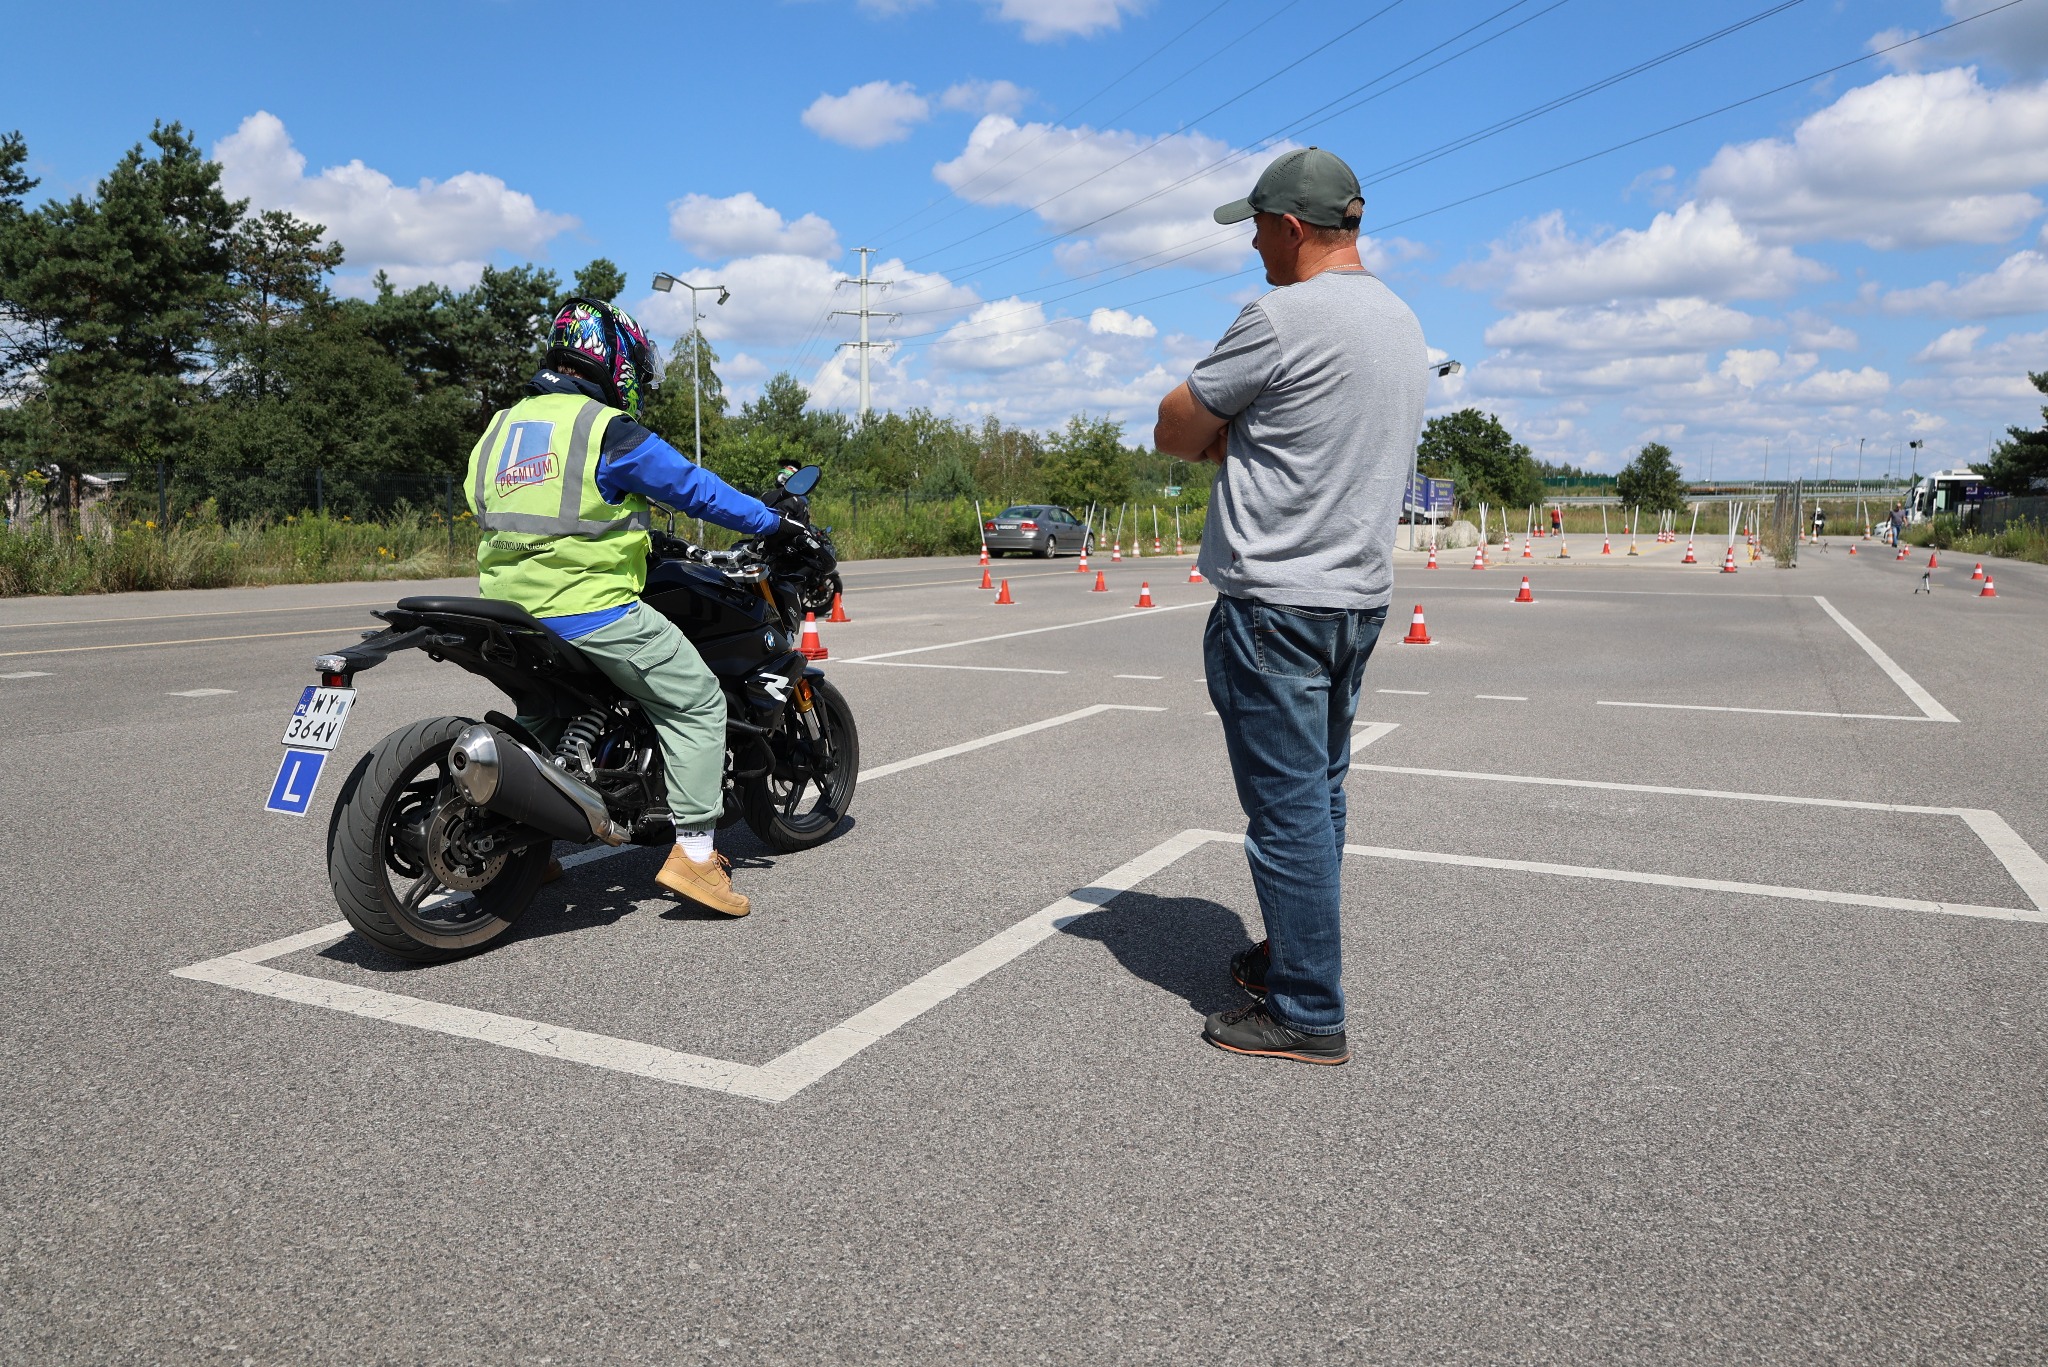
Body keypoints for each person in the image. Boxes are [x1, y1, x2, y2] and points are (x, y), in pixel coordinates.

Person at [1153, 148, 1428, 1065]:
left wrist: (1226, 433)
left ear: (1295, 227)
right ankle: (1294, 950)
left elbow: (1175, 425)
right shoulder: (1400, 322)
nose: (1255, 245)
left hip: (1276, 601)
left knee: (1285, 811)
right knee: (1322, 794)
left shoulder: (1279, 319)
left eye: (1259, 227)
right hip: (1357, 599)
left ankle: (1307, 1008)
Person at [465, 298, 811, 918]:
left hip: (505, 610)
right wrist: (771, 521)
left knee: (545, 718)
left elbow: (487, 503)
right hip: (588, 606)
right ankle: (698, 859)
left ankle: (526, 845)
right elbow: (691, 487)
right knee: (697, 701)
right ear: (612, 358)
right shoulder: (602, 428)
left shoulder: (498, 429)